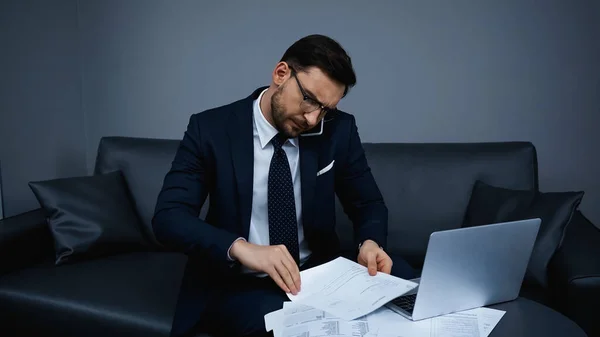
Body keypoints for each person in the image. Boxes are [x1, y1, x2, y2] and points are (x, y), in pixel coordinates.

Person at [152, 34, 415, 337]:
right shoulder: (211, 129)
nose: (314, 119)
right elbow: (169, 217)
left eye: (326, 109)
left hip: (317, 277)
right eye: (309, 100)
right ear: (281, 74)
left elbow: (367, 203)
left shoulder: (338, 130)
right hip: (240, 283)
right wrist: (241, 248)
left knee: (408, 283)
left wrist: (370, 242)